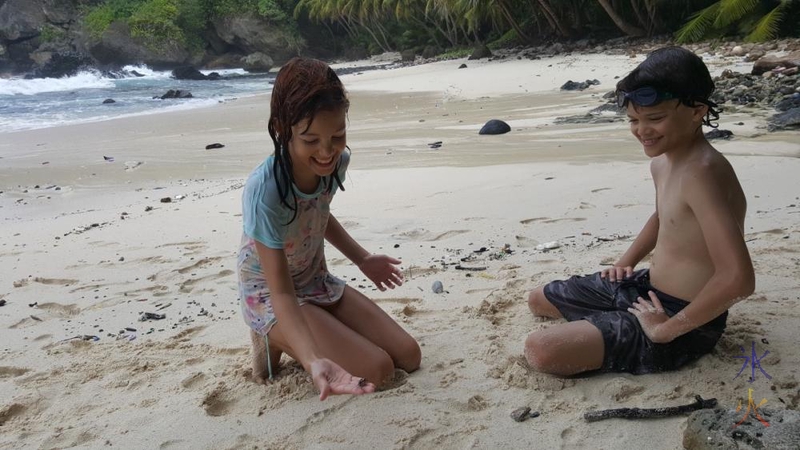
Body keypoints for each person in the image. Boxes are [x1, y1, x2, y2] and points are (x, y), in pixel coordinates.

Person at [524, 46, 755, 376]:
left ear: (696, 112)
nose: (642, 130)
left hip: (684, 317)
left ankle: (617, 328)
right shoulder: (663, 162)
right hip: (645, 289)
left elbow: (739, 279)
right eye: (633, 120)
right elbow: (664, 217)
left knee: (542, 350)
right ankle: (610, 322)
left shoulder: (703, 174)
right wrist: (626, 262)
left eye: (655, 119)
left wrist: (665, 329)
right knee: (538, 300)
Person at [237, 57, 421, 400]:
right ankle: (269, 335)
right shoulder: (266, 189)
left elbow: (316, 214)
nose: (326, 152)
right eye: (310, 140)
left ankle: (318, 327)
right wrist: (311, 360)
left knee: (408, 356)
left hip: (314, 279)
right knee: (378, 369)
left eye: (337, 135)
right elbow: (280, 293)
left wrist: (362, 259)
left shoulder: (337, 162)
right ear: (282, 128)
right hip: (270, 295)